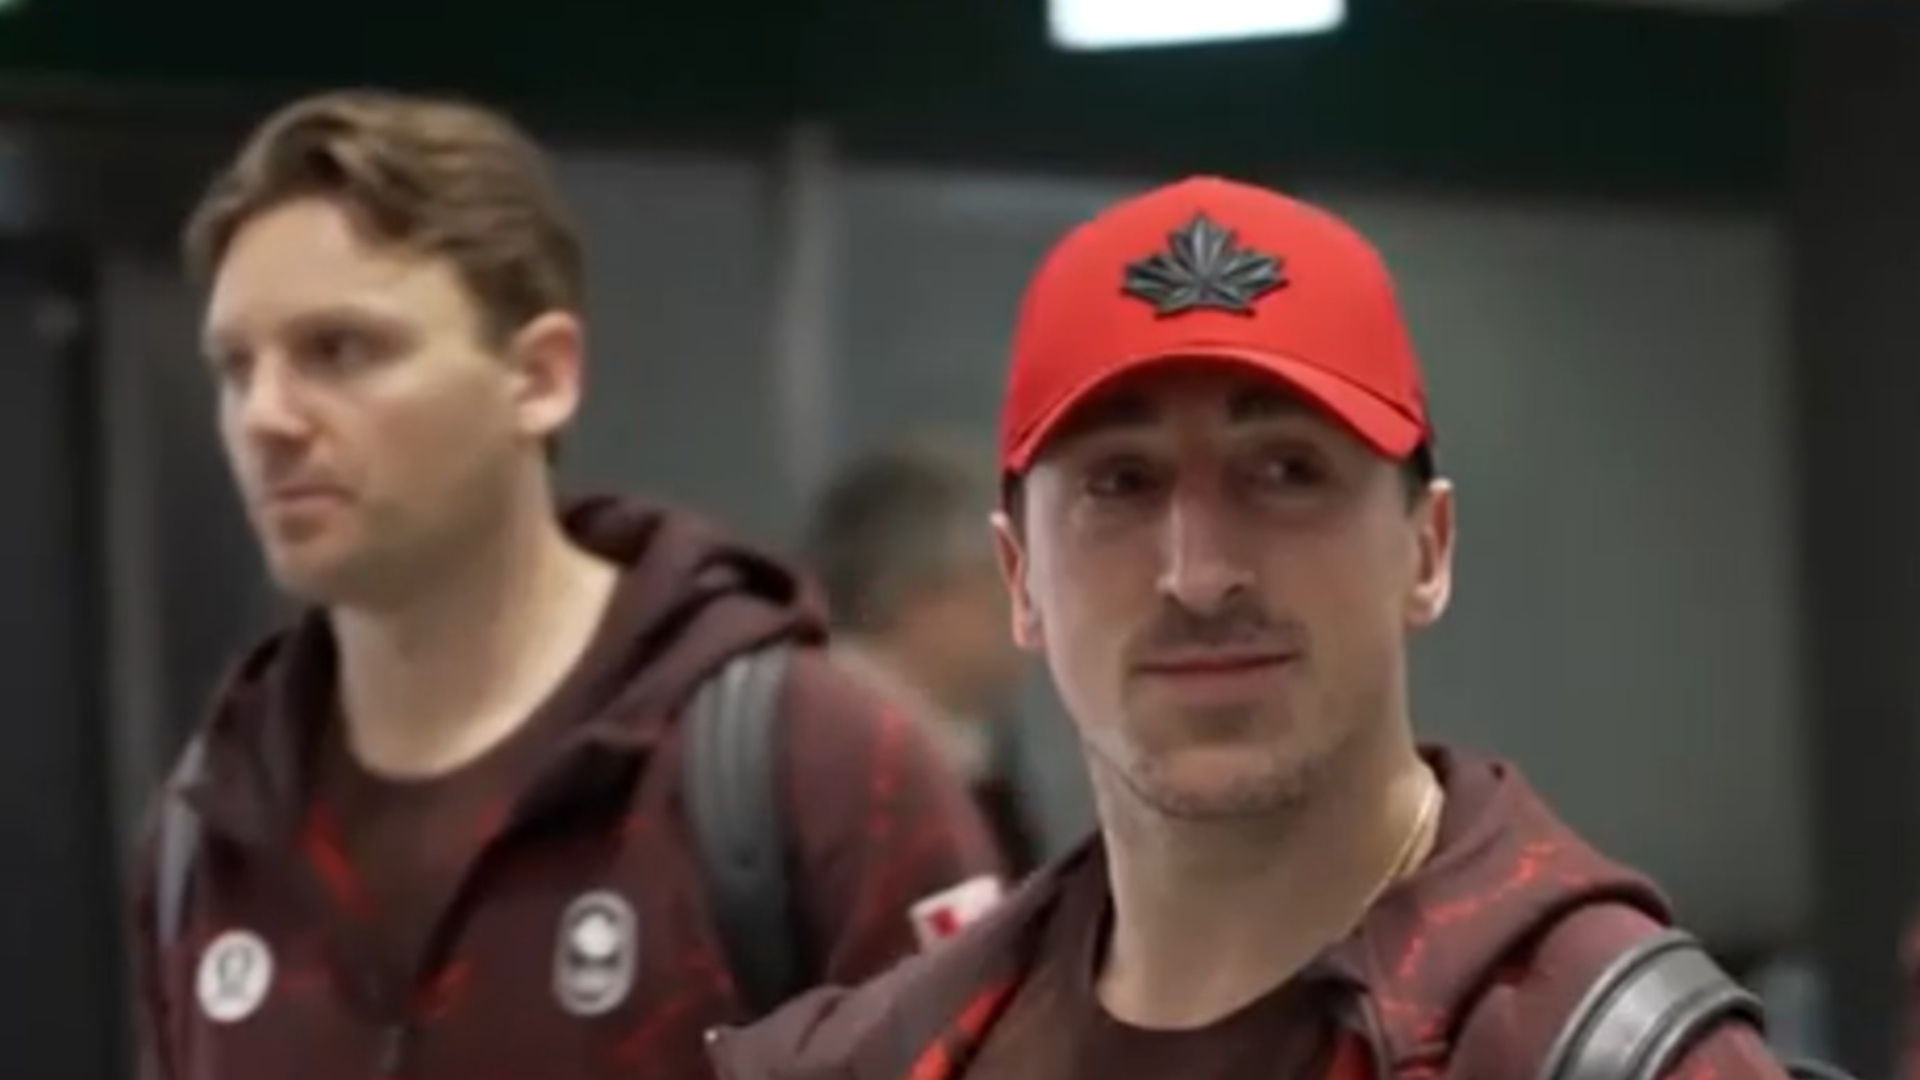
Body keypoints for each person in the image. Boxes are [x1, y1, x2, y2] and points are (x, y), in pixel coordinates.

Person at [706, 177, 1799, 1080]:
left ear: (1427, 550)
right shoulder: (891, 1055)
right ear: (1020, 580)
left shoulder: (1596, 1054)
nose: (1199, 575)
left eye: (1284, 472)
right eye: (1122, 483)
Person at [127, 90, 1004, 1080]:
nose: (266, 417)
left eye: (340, 350)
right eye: (236, 368)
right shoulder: (217, 826)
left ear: (542, 376)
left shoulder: (814, 773)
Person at [802, 434, 1043, 874]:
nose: (1032, 609)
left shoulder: (970, 758)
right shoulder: (837, 774)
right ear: (916, 595)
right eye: (1003, 581)